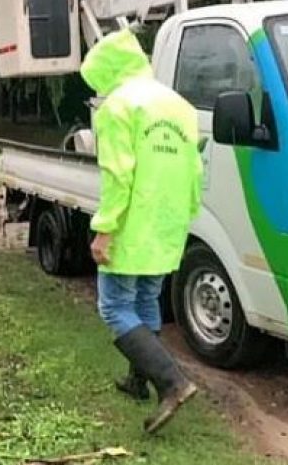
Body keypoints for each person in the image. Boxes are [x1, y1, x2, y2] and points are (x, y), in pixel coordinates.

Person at [80, 29, 203, 434]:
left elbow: (118, 175)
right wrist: (186, 215)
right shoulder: (180, 107)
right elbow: (194, 170)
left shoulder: (117, 107)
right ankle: (138, 380)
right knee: (147, 296)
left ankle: (172, 382)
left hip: (132, 222)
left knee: (114, 306)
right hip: (168, 221)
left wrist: (105, 229)